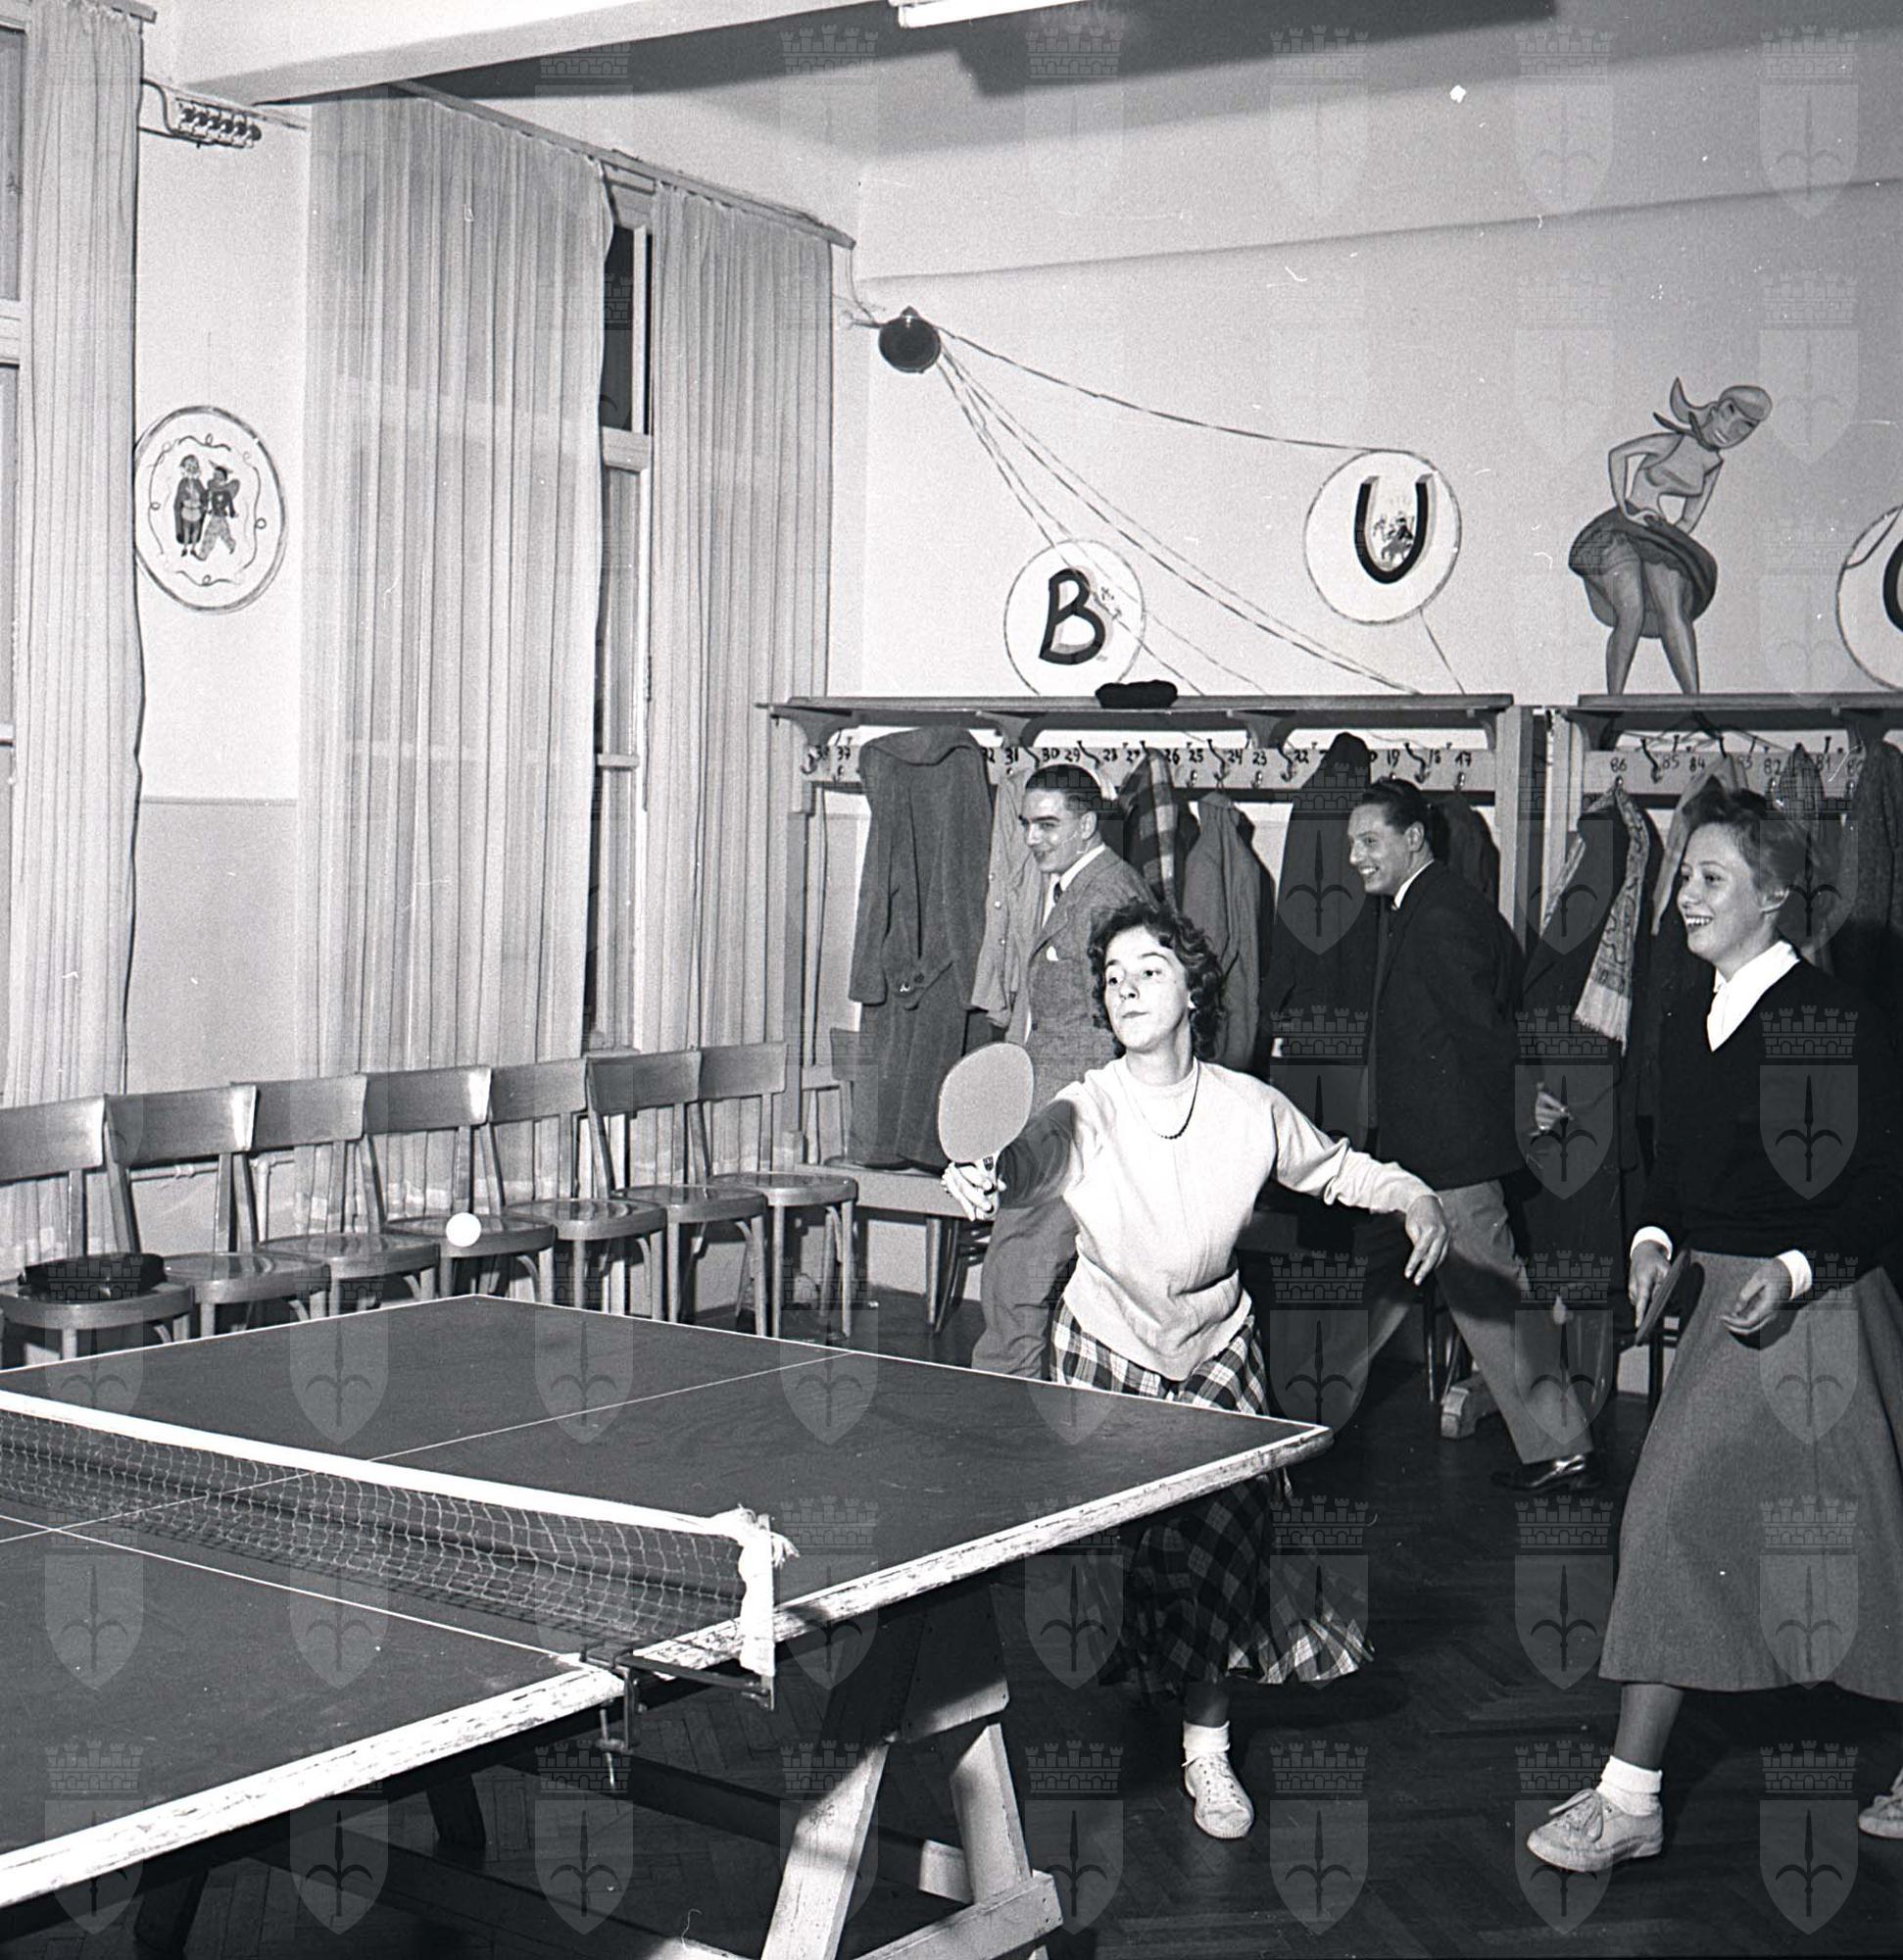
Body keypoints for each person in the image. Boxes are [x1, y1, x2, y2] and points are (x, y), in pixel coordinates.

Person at [944, 900, 1451, 1838]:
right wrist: (985, 1176)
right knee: (1117, 1567)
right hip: (1106, 1346)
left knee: (1225, 1555)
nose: (1127, 988)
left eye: (1150, 970)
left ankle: (1206, 1751)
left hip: (1215, 1348)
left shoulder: (1248, 1108)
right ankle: (1149, 1669)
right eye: (1113, 977)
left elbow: (1339, 1169)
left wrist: (1415, 1198)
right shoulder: (1086, 1107)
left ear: (1193, 992)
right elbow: (1025, 1163)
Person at [1527, 788, 1903, 1875]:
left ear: (1773, 896)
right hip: (1726, 1308)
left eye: (1708, 878)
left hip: (1825, 1308)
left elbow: (1884, 1187)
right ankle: (1632, 1798)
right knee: (1687, 1524)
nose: (1683, 896)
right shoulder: (1684, 1013)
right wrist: (1653, 1239)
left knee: (1848, 1544)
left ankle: (1627, 1796)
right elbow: (1669, 1168)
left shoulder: (1834, 1018)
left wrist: (1793, 1269)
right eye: (1684, 875)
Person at [1347, 778, 1606, 1490]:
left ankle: (1564, 1445)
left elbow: (1481, 1029)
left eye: (1369, 841)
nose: (1356, 857)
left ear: (1413, 839)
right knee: (1381, 1294)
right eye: (1352, 844)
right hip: (1419, 1153)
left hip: (1448, 1154)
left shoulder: (1438, 914)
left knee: (1493, 1299)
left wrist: (1524, 1099)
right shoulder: (1428, 905)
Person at [970, 763, 1148, 1378]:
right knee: (1022, 1270)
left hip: (1074, 1115)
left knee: (1016, 1266)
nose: (1032, 839)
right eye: (1027, 824)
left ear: (1087, 824)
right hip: (1060, 1107)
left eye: (1048, 825)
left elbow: (1129, 1020)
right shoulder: (1081, 887)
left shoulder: (1108, 896)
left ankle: (1004, 1405)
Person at [1569, 379, 1772, 695]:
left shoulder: (1713, 463)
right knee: (1631, 608)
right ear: (1715, 409)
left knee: (1673, 607)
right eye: (1729, 414)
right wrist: (1624, 506)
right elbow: (1618, 455)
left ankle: (1693, 701)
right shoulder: (1674, 442)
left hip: (1656, 530)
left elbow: (1690, 517)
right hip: (1622, 526)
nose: (1730, 430)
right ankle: (1614, 700)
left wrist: (1671, 537)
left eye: (1744, 427)